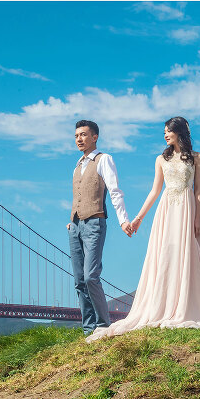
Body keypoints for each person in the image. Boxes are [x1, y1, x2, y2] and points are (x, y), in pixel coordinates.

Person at [86, 117, 200, 342]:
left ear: (180, 133)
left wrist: (197, 217)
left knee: (188, 255)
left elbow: (198, 191)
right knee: (166, 256)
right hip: (166, 211)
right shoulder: (161, 159)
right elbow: (155, 191)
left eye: (169, 131)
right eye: (164, 131)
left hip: (187, 210)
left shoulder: (197, 158)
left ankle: (188, 306)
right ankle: (164, 306)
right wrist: (138, 218)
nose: (165, 135)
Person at [68, 120, 133, 336]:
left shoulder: (104, 159)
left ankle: (103, 325)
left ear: (94, 137)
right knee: (79, 281)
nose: (79, 139)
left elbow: (115, 191)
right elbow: (77, 196)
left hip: (95, 223)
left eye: (84, 135)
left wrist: (123, 220)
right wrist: (72, 221)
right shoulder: (77, 165)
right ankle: (89, 330)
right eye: (77, 135)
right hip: (76, 226)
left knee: (90, 277)